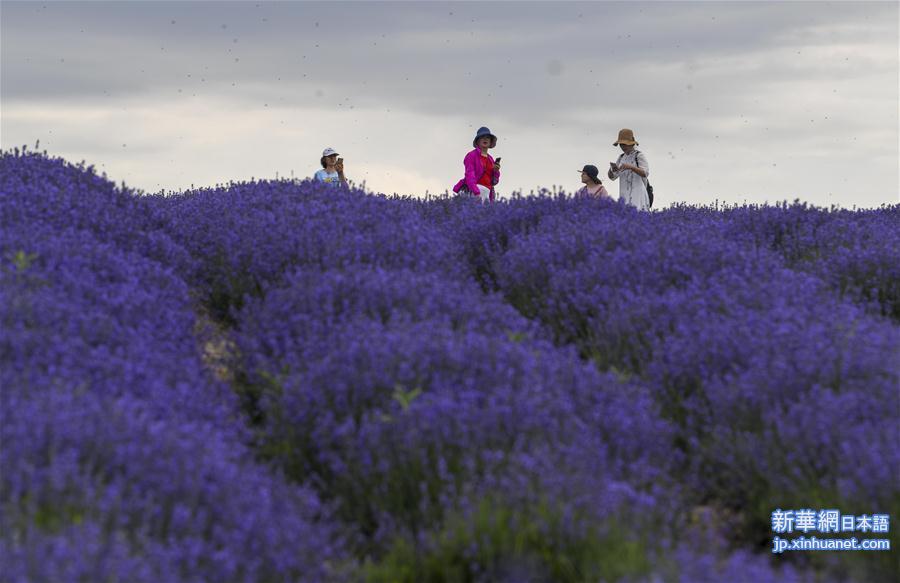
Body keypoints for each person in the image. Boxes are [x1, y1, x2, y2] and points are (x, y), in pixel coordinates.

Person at [452, 126, 501, 203]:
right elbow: (469, 176)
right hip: (474, 191)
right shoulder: (471, 155)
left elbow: (494, 182)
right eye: (482, 137)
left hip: (487, 193)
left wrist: (496, 171)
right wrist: (476, 193)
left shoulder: (491, 159)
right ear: (477, 141)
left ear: (490, 142)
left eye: (487, 137)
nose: (485, 139)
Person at [607, 129, 650, 210]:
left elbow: (645, 173)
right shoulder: (621, 157)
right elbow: (613, 177)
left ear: (631, 144)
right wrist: (612, 170)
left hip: (638, 194)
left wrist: (630, 167)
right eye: (621, 144)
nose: (623, 147)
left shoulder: (639, 155)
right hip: (624, 194)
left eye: (625, 144)